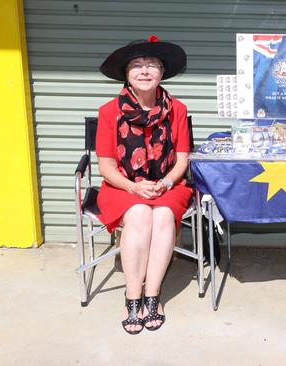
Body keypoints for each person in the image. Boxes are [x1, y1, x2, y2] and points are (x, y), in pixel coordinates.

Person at [96, 35, 191, 334]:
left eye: (152, 65)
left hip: (169, 184)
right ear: (126, 74)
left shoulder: (177, 109)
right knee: (139, 214)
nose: (145, 71)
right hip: (122, 186)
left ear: (162, 72)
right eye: (137, 66)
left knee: (162, 215)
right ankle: (132, 297)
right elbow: (106, 167)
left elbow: (182, 160)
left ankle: (153, 295)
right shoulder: (108, 111)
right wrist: (134, 187)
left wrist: (163, 183)